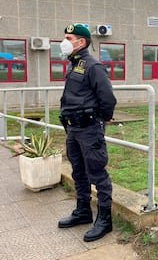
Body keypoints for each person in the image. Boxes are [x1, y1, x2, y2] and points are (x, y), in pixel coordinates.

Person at [58, 24, 117, 242]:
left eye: (68, 37)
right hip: (73, 129)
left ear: (80, 42)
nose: (63, 41)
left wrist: (104, 116)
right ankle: (83, 211)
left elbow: (107, 98)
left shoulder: (93, 65)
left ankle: (104, 219)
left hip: (89, 129)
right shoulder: (74, 65)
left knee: (97, 174)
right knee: (78, 172)